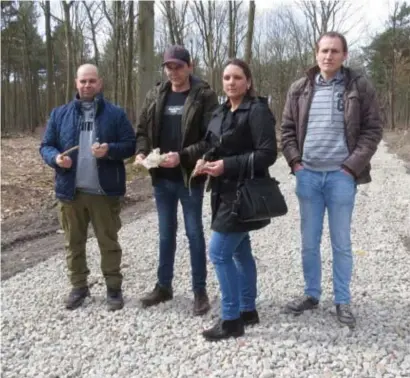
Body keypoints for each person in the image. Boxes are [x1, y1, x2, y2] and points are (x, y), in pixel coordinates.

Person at [281, 31, 383, 327]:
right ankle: (311, 295)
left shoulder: (358, 86)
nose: (328, 56)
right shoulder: (299, 88)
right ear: (316, 54)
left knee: (341, 243)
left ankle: (342, 300)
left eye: (334, 51)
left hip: (341, 177)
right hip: (308, 176)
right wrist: (296, 163)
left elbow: (373, 129)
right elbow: (287, 130)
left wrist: (351, 167)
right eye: (324, 51)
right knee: (309, 242)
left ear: (344, 55)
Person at [192, 58, 277, 341]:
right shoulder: (220, 111)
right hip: (221, 191)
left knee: (218, 253)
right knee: (240, 252)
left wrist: (227, 166)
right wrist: (200, 160)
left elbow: (267, 154)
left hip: (244, 194)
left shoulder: (258, 111)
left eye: (237, 77)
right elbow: (210, 144)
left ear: (248, 82)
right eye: (227, 78)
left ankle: (231, 320)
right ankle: (248, 309)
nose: (231, 82)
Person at [40, 64, 136, 311]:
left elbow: (130, 145)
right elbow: (46, 146)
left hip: (104, 193)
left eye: (92, 81)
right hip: (70, 192)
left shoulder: (115, 114)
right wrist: (56, 159)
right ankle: (79, 287)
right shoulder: (59, 114)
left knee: (108, 242)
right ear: (76, 83)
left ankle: (113, 288)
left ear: (100, 83)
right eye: (83, 81)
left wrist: (110, 150)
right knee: (73, 243)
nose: (87, 85)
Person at [135, 45, 219, 316]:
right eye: (169, 67)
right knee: (165, 234)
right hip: (161, 178)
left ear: (189, 66)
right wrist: (141, 153)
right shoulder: (156, 94)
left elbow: (212, 139)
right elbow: (142, 131)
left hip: (188, 178)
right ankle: (164, 286)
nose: (173, 72)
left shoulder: (205, 96)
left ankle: (199, 291)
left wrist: (182, 156)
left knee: (194, 233)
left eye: (178, 67)